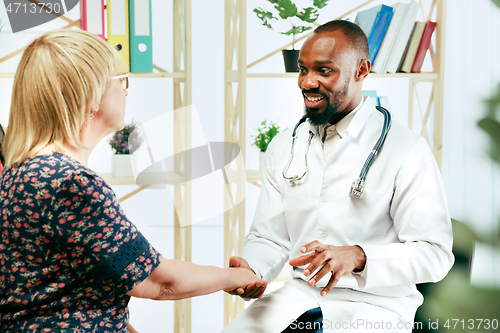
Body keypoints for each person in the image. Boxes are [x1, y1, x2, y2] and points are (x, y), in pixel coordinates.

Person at [0, 29, 263, 332]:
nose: (126, 91)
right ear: (90, 94)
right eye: (120, 80)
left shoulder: (19, 171)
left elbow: (65, 287)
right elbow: (157, 281)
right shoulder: (71, 182)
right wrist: (233, 277)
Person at [223, 20, 454, 333]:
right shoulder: (284, 146)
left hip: (377, 305)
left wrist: (359, 256)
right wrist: (251, 269)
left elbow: (435, 253)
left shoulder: (406, 149)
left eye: (324, 70)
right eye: (303, 69)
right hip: (300, 296)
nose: (307, 82)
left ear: (360, 71)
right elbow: (270, 237)